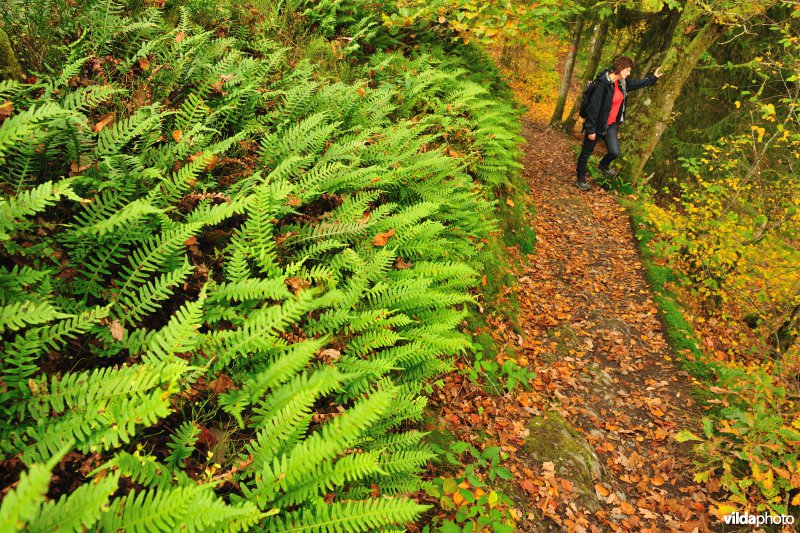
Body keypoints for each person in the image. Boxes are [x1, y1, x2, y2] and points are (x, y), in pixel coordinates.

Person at [575, 57, 664, 191]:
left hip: (610, 125)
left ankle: (603, 165)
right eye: (627, 70)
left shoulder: (621, 83)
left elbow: (637, 83)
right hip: (597, 125)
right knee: (586, 152)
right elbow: (593, 110)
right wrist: (591, 130)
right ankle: (580, 179)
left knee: (614, 152)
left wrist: (653, 78)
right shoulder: (602, 85)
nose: (629, 73)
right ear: (620, 68)